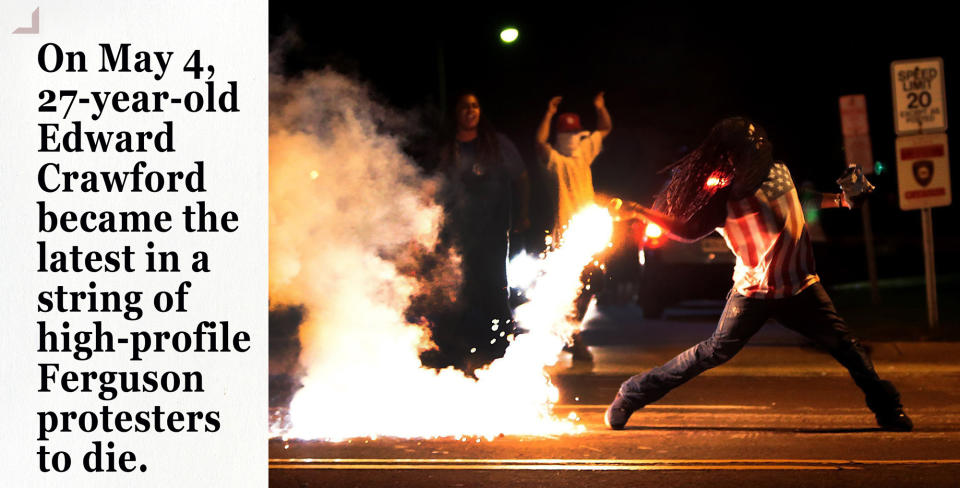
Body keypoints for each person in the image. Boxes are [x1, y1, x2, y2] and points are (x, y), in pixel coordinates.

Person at [604, 117, 912, 432]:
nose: (753, 156)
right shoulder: (721, 196)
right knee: (712, 353)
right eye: (744, 153)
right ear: (729, 158)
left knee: (847, 347)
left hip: (800, 287)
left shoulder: (778, 170)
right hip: (753, 293)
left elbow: (799, 198)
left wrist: (843, 200)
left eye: (755, 149)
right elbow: (688, 231)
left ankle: (889, 410)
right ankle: (632, 393)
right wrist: (638, 211)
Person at [426, 92, 530, 372]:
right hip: (454, 233)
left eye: (475, 105)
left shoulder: (498, 145)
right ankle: (455, 352)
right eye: (464, 106)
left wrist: (522, 215)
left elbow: (521, 178)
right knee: (456, 291)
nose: (470, 111)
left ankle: (497, 350)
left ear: (480, 111)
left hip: (492, 232)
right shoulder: (447, 147)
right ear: (456, 113)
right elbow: (433, 187)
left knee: (493, 289)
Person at [535, 92, 612, 363]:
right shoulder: (556, 161)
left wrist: (600, 107)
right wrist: (549, 113)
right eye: (566, 133)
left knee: (593, 284)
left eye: (574, 132)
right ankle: (573, 336)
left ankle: (571, 331)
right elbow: (539, 142)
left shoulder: (584, 155)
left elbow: (605, 128)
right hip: (565, 237)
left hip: (588, 234)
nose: (571, 137)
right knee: (571, 287)